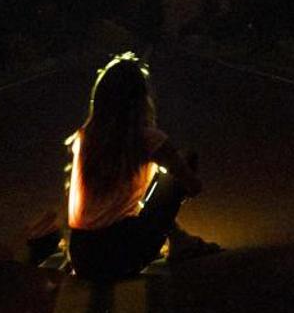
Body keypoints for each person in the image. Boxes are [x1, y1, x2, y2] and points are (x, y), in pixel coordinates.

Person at [62, 52, 220, 279]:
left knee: (144, 190)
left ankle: (179, 238)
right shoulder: (146, 138)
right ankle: (180, 242)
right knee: (184, 159)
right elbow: (193, 186)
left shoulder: (85, 137)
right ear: (141, 98)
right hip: (121, 257)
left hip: (81, 256)